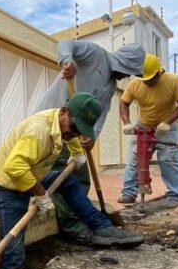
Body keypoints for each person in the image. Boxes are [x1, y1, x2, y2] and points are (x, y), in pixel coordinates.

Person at [0, 93, 143, 269]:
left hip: (32, 173)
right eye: (74, 128)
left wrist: (77, 153)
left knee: (67, 180)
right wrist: (41, 193)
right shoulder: (38, 131)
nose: (74, 134)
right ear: (63, 112)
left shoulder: (59, 123)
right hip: (6, 186)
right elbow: (14, 167)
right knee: (14, 239)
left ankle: (102, 228)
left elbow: (67, 136)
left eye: (79, 131)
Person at [37, 39, 146, 241]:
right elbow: (66, 43)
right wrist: (67, 61)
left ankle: (81, 217)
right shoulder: (95, 54)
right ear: (124, 63)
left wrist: (92, 134)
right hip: (55, 122)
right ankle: (73, 228)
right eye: (129, 70)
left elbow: (102, 112)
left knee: (82, 176)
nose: (128, 76)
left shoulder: (111, 84)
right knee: (62, 175)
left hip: (75, 130)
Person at [118, 54, 178, 208]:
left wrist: (168, 122)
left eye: (151, 79)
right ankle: (129, 193)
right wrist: (126, 123)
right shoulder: (134, 84)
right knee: (134, 161)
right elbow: (123, 103)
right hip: (142, 127)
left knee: (169, 160)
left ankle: (176, 195)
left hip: (167, 128)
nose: (148, 82)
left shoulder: (174, 81)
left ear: (159, 72)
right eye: (144, 79)